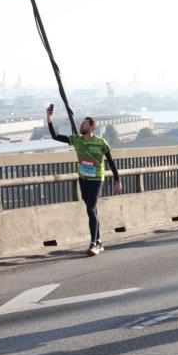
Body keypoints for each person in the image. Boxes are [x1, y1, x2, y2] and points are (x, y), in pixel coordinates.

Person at [47, 105, 122, 255]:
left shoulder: (101, 143)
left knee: (90, 208)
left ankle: (93, 244)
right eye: (81, 123)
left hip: (96, 180)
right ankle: (99, 241)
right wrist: (49, 119)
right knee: (92, 210)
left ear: (92, 127)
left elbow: (111, 162)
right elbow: (55, 136)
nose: (81, 125)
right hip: (83, 179)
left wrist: (117, 180)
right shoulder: (77, 140)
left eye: (85, 123)